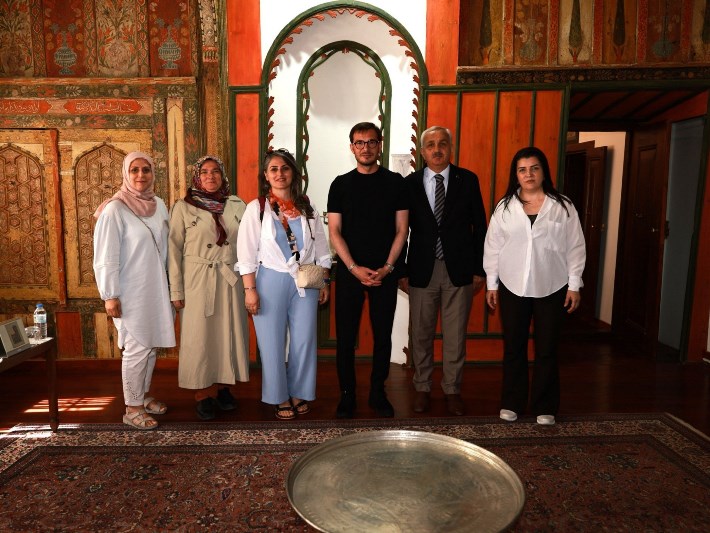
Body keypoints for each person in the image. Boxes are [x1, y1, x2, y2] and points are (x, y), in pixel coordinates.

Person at [483, 146, 586, 426]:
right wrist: (492, 284)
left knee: (547, 348)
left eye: (534, 168)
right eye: (522, 170)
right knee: (513, 347)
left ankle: (545, 406)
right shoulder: (505, 207)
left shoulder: (563, 206)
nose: (528, 174)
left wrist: (574, 285)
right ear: (515, 175)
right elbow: (492, 247)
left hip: (552, 286)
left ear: (543, 172)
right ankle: (512, 402)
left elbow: (576, 247)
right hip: (512, 286)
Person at [236, 149, 331, 420]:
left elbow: (321, 247)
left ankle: (299, 391)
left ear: (293, 174)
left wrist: (325, 281)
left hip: (306, 280)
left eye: (285, 168)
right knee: (271, 342)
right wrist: (250, 290)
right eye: (274, 169)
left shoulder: (307, 206)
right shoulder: (257, 208)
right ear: (266, 176)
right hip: (269, 280)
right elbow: (246, 253)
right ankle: (278, 396)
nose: (280, 174)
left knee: (304, 340)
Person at [402, 126, 487, 416]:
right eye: (430, 145)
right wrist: (401, 271)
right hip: (421, 270)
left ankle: (452, 390)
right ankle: (422, 388)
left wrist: (479, 269)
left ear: (451, 147)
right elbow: (400, 230)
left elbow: (480, 227)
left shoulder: (468, 180)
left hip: (460, 270)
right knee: (421, 334)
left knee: (455, 336)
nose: (436, 149)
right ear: (422, 151)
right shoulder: (410, 184)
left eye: (442, 144)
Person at [327, 122, 409, 418]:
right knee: (345, 337)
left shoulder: (396, 183)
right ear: (352, 147)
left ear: (380, 145)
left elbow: (402, 230)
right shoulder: (340, 184)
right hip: (350, 272)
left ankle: (378, 392)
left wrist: (387, 268)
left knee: (383, 335)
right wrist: (353, 268)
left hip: (384, 272)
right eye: (359, 143)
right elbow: (334, 232)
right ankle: (347, 394)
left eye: (371, 142)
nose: (366, 148)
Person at [93, 151, 176, 430]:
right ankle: (132, 408)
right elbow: (105, 256)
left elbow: (167, 247)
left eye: (146, 170)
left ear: (153, 173)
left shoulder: (159, 205)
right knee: (136, 348)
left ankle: (142, 396)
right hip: (130, 291)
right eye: (134, 170)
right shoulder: (114, 209)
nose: (141, 175)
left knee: (149, 346)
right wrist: (110, 295)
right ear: (126, 174)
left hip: (157, 289)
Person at [168, 155, 250, 420]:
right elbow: (173, 250)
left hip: (230, 278)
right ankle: (203, 394)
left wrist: (251, 285)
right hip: (197, 279)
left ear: (222, 175)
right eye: (204, 172)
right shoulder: (183, 207)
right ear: (197, 176)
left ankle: (224, 387)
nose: (210, 176)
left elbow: (250, 244)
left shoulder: (237, 204)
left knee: (228, 333)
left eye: (215, 171)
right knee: (200, 337)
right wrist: (176, 290)